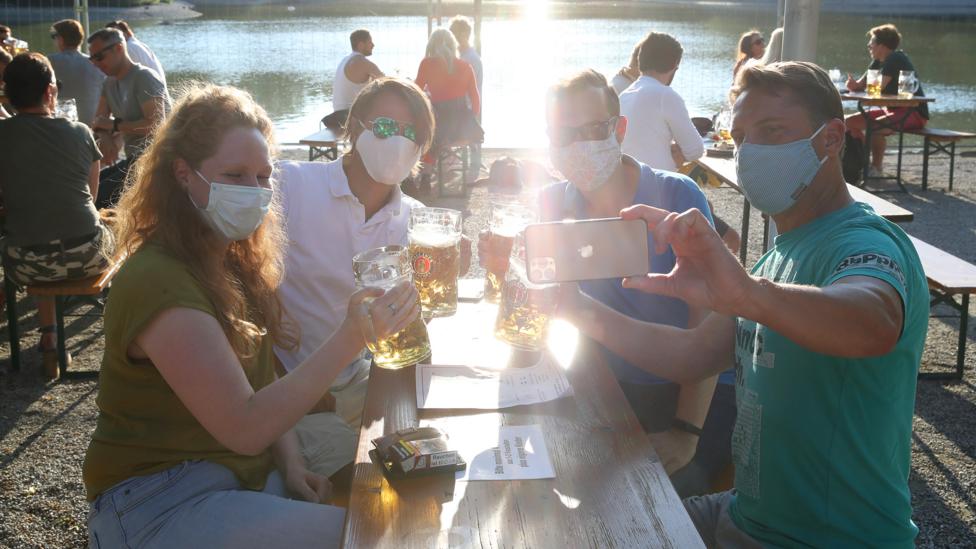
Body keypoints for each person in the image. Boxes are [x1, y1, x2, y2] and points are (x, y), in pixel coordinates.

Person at [558, 61, 927, 547]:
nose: (753, 152)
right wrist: (569, 305)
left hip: (830, 538)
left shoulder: (864, 243)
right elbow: (689, 355)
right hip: (746, 514)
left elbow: (873, 319)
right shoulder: (778, 258)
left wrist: (746, 292)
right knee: (589, 527)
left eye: (773, 131)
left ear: (831, 139)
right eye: (742, 138)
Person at [83, 83, 420, 547]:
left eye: (263, 178)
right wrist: (352, 334)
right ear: (183, 174)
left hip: (242, 475)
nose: (255, 191)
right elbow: (245, 425)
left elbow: (257, 384)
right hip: (157, 502)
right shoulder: (158, 279)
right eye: (236, 174)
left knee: (397, 485)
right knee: (374, 538)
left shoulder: (229, 261)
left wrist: (293, 463)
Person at [479, 69, 720, 483]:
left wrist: (687, 431)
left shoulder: (677, 196)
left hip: (682, 391)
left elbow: (711, 321)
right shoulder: (551, 201)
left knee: (658, 505)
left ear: (619, 128)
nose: (579, 145)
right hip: (601, 386)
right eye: (564, 134)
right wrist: (509, 275)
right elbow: (544, 310)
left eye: (593, 129)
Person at [274, 77, 471, 477]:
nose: (397, 139)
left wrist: (448, 280)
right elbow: (241, 294)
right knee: (370, 485)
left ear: (422, 150)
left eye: (411, 133)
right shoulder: (290, 186)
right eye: (384, 127)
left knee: (445, 454)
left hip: (366, 380)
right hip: (289, 391)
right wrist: (283, 382)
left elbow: (405, 323)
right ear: (354, 128)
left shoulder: (416, 220)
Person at [0, 53, 112, 379]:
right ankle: (123, 333)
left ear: (8, 95)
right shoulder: (80, 133)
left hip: (26, 263)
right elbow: (91, 198)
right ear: (51, 92)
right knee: (116, 234)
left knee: (32, 234)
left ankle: (49, 335)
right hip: (88, 254)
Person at [87, 27, 169, 209]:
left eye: (99, 57)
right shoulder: (108, 83)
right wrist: (107, 137)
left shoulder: (144, 77)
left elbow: (156, 125)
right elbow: (98, 120)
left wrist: (114, 126)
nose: (95, 63)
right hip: (133, 159)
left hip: (156, 160)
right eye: (91, 59)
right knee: (86, 188)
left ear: (118, 48)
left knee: (98, 198)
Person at [845, 23, 928, 177]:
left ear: (882, 46)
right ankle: (864, 163)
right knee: (848, 123)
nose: (868, 45)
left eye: (872, 43)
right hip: (891, 110)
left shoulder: (896, 58)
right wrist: (852, 84)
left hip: (914, 112)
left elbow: (876, 88)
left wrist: (862, 87)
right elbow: (860, 87)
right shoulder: (878, 61)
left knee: (875, 127)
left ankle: (876, 169)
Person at [620, 32, 703, 172]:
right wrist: (677, 152)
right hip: (657, 182)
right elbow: (695, 149)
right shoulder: (666, 95)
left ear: (641, 60)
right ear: (674, 65)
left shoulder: (623, 96)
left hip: (627, 180)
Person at [415, 28, 483, 193]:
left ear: (431, 45)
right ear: (454, 45)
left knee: (428, 134)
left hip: (438, 123)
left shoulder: (426, 64)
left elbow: (416, 91)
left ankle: (425, 173)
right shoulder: (466, 66)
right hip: (462, 130)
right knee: (438, 133)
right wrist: (470, 121)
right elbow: (475, 100)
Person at [48, 19, 106, 126]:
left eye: (54, 36)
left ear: (60, 39)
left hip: (62, 126)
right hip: (92, 126)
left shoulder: (48, 63)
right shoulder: (97, 64)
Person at [325, 29, 384, 128]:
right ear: (361, 45)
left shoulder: (345, 60)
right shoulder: (362, 62)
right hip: (349, 117)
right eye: (370, 42)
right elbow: (388, 83)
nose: (373, 45)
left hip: (338, 115)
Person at [449, 15, 483, 178]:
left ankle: (474, 165)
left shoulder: (468, 58)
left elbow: (461, 87)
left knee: (472, 137)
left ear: (462, 35)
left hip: (468, 105)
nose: (451, 39)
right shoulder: (466, 56)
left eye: (453, 34)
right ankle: (471, 163)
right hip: (468, 104)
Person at [105, 20, 165, 86]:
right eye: (109, 36)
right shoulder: (137, 44)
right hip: (156, 87)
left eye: (116, 34)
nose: (112, 38)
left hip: (151, 90)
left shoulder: (129, 47)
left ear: (126, 33)